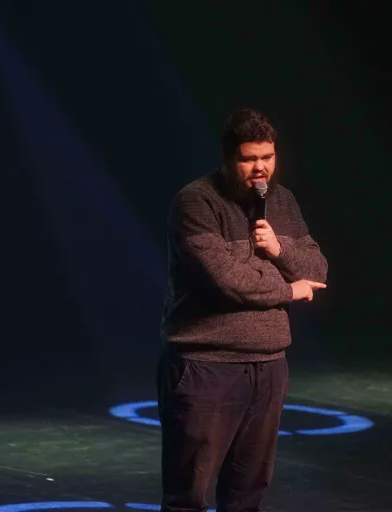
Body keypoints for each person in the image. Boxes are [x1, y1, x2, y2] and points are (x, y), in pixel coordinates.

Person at [157, 108, 328, 511]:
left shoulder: (282, 201)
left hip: (268, 367)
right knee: (188, 496)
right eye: (249, 159)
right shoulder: (196, 202)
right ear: (228, 158)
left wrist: (279, 249)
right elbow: (227, 280)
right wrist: (288, 289)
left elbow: (317, 268)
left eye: (266, 158)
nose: (260, 169)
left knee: (247, 493)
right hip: (207, 368)